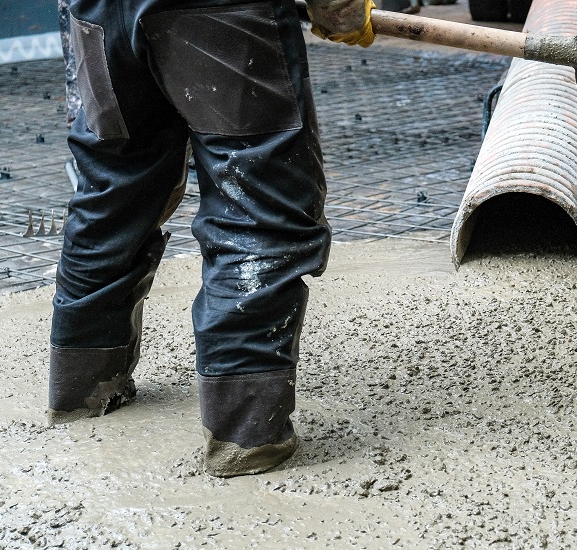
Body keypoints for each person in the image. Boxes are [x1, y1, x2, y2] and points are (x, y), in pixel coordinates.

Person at [47, 0, 375, 478]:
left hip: (95, 10)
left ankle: (80, 395)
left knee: (112, 190)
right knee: (255, 207)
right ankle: (245, 440)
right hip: (219, 10)